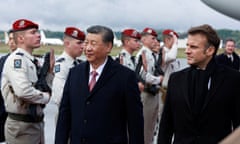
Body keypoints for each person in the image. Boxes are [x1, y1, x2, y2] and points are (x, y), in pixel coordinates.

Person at [55, 25, 144, 144]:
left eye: (93, 43)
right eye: (86, 43)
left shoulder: (125, 77)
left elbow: (135, 122)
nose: (88, 48)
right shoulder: (75, 73)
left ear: (108, 47)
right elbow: (64, 116)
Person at [157, 24, 240, 144]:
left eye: (193, 47)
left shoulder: (233, 79)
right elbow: (166, 125)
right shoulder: (176, 79)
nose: (187, 51)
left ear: (210, 50)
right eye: (187, 46)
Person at [1, 19, 55, 144]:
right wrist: (45, 98)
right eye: (33, 32)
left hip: (35, 124)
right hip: (21, 127)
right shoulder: (17, 61)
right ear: (20, 38)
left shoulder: (31, 61)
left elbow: (43, 86)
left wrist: (50, 72)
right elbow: (23, 91)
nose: (38, 35)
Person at [136, 27, 163, 144]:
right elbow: (143, 75)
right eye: (152, 38)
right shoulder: (143, 54)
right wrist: (158, 80)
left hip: (154, 93)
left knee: (152, 126)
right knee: (145, 126)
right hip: (146, 94)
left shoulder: (151, 54)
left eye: (155, 38)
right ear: (144, 39)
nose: (155, 41)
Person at [52, 27, 85, 112]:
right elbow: (59, 97)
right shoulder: (62, 64)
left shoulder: (78, 63)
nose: (83, 46)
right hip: (67, 113)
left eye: (83, 43)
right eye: (79, 43)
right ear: (67, 44)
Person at [0, 29, 17, 143]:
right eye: (9, 39)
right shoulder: (3, 60)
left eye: (13, 39)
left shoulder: (29, 61)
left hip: (17, 114)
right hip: (2, 110)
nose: (10, 42)